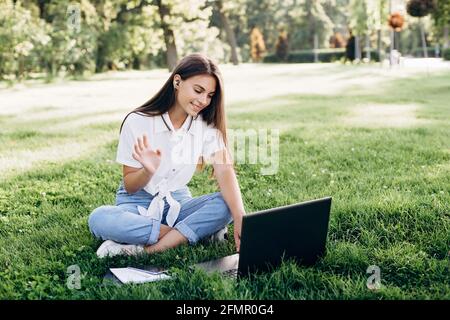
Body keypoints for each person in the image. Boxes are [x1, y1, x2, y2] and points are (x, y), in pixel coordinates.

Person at [88, 53, 246, 258]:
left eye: (209, 95)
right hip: (136, 205)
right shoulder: (137, 121)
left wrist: (239, 215)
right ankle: (193, 233)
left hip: (178, 203)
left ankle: (148, 249)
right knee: (99, 218)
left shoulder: (205, 126)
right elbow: (130, 186)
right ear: (177, 81)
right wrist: (148, 171)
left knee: (227, 204)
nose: (203, 101)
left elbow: (224, 170)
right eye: (198, 90)